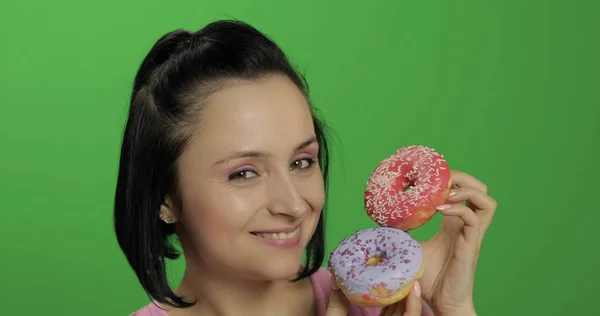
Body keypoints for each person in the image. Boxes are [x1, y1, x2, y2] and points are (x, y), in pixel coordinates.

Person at [113, 19, 497, 316]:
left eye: (301, 162)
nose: (294, 205)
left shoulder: (383, 307)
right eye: (244, 172)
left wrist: (454, 308)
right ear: (165, 196)